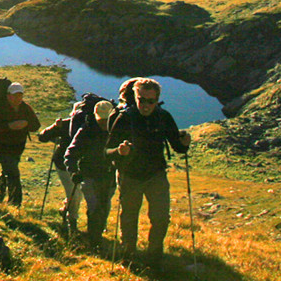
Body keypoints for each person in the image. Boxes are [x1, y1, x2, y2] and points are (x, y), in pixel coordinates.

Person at [105, 77, 191, 272]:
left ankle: (154, 257)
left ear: (157, 100)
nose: (144, 105)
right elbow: (106, 151)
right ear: (135, 97)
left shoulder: (164, 117)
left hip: (156, 175)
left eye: (150, 101)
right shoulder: (125, 118)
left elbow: (177, 147)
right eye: (140, 99)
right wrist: (119, 151)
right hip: (130, 175)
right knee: (129, 218)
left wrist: (185, 143)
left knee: (160, 218)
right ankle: (128, 257)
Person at [64, 100, 116, 251]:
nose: (104, 123)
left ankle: (96, 237)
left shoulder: (117, 130)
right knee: (94, 208)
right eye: (102, 119)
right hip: (89, 176)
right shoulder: (86, 130)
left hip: (109, 177)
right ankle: (94, 242)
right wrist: (73, 171)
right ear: (95, 116)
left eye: (107, 119)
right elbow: (70, 154)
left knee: (104, 207)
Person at [0, 82, 40, 207]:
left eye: (20, 95)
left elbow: (36, 125)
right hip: (2, 148)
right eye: (15, 95)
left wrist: (26, 124)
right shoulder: (0, 109)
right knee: (14, 173)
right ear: (8, 95)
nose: (18, 98)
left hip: (17, 148)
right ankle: (15, 204)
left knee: (7, 171)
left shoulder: (25, 108)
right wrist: (9, 127)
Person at [38, 104, 83, 233]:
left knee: (77, 193)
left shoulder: (74, 124)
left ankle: (66, 211)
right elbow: (43, 137)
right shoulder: (65, 125)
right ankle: (71, 221)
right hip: (63, 164)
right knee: (74, 193)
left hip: (75, 165)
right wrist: (54, 128)